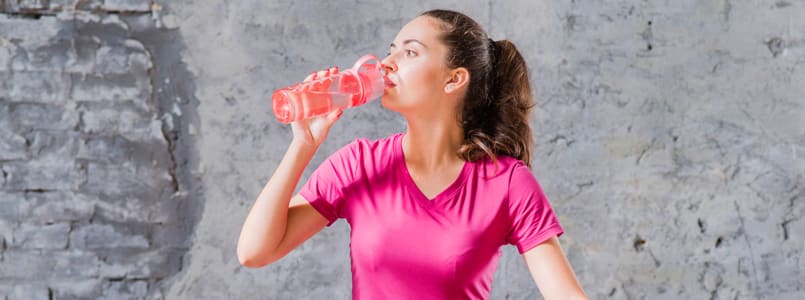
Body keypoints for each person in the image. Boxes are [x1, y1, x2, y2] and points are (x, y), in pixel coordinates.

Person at [237, 9, 588, 300]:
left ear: (454, 80)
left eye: (410, 52)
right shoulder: (357, 164)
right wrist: (303, 145)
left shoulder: (506, 182)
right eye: (391, 49)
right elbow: (254, 252)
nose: (386, 63)